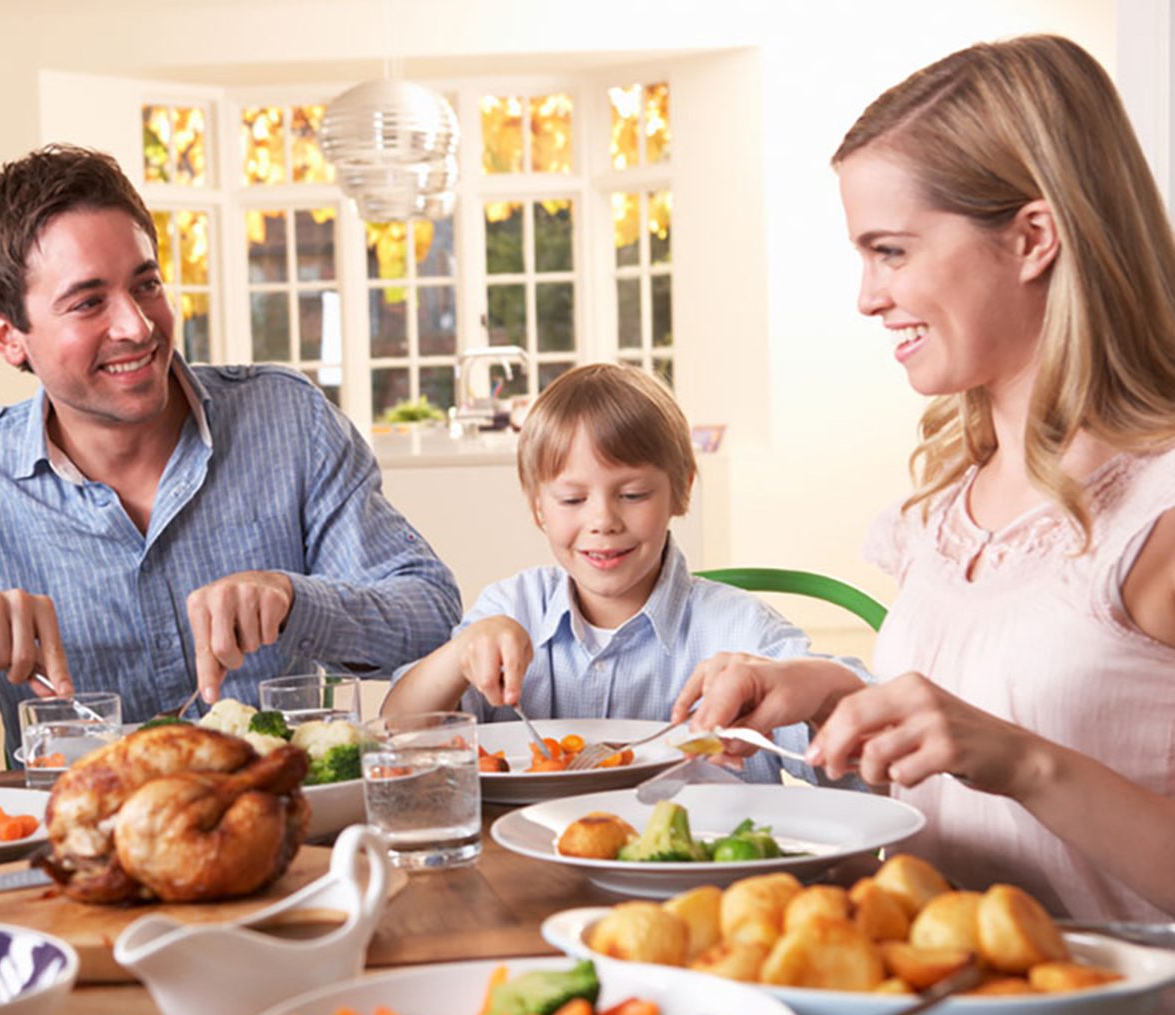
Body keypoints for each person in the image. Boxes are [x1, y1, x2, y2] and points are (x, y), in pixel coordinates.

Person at [675, 34, 1175, 920]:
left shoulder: (1157, 512)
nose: (867, 296)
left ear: (1031, 238)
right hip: (951, 1012)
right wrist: (840, 696)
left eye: (892, 251)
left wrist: (1026, 765)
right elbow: (990, 731)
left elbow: (1021, 748)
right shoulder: (950, 502)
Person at [0, 144, 462, 752]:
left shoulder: (286, 418)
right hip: (78, 830)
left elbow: (433, 614)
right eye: (89, 302)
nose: (137, 326)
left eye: (146, 284)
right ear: (6, 335)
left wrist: (294, 600)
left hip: (281, 824)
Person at [383, 362, 868, 784]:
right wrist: (459, 655)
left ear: (680, 492)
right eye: (573, 500)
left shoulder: (741, 630)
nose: (603, 521)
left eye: (633, 495)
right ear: (538, 509)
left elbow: (862, 766)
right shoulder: (511, 609)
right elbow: (395, 735)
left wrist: (810, 687)